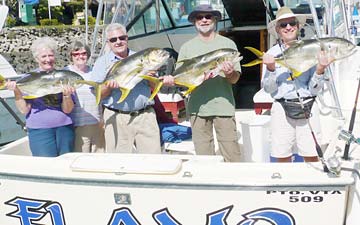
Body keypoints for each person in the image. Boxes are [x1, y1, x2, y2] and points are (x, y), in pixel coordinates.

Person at [163, 4, 242, 162]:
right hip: (197, 109)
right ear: (194, 21)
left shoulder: (228, 46)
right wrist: (172, 81)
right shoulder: (186, 48)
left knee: (232, 156)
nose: (204, 20)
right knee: (204, 159)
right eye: (200, 17)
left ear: (215, 20)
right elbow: (184, 82)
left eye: (208, 16)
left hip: (223, 107)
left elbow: (235, 79)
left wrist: (229, 73)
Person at [261, 6, 333, 163]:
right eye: (283, 25)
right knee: (281, 155)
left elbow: (315, 89)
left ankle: (312, 186)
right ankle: (284, 186)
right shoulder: (271, 54)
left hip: (308, 106)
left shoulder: (312, 49)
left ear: (298, 26)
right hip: (281, 107)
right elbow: (268, 89)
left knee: (312, 155)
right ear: (278, 30)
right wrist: (271, 69)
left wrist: (320, 69)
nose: (288, 27)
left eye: (292, 23)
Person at [91, 23, 161, 154]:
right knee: (119, 163)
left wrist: (150, 78)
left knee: (153, 160)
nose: (118, 42)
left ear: (127, 38)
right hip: (117, 117)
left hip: (145, 116)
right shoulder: (102, 63)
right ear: (108, 42)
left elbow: (155, 87)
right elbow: (99, 95)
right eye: (113, 39)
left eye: (121, 38)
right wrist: (109, 87)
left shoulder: (143, 58)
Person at [5, 37, 75, 157]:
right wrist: (16, 91)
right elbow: (24, 110)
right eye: (43, 56)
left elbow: (67, 110)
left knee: (65, 164)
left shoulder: (63, 76)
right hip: (39, 130)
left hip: (64, 128)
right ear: (37, 59)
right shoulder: (29, 78)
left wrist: (67, 95)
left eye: (51, 55)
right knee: (45, 166)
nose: (48, 59)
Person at [64, 40, 105, 153]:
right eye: (76, 54)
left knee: (99, 158)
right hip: (78, 125)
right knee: (81, 158)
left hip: (97, 123)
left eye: (83, 53)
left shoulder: (95, 72)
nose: (80, 56)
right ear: (71, 56)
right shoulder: (65, 72)